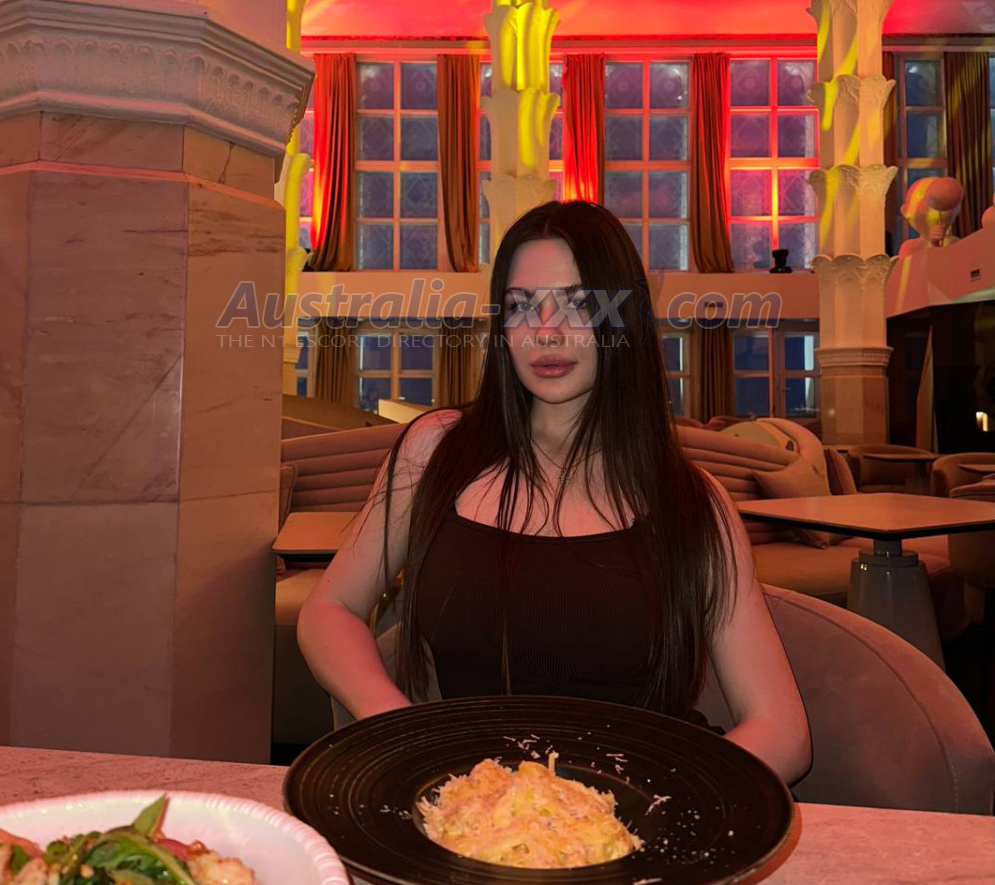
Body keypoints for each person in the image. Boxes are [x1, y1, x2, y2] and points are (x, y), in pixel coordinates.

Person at [298, 201, 811, 785]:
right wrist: (401, 729)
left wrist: (660, 795)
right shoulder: (435, 451)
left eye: (579, 303)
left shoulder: (693, 503)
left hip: (643, 801)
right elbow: (330, 610)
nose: (546, 329)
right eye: (521, 305)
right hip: (479, 802)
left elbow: (783, 731)